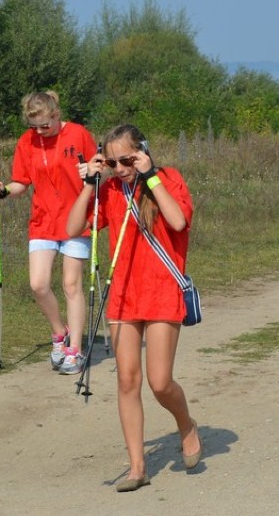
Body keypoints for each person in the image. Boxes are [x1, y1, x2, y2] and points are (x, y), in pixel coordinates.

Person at [66, 124, 202, 493]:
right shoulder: (108, 189)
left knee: (160, 382)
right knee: (127, 381)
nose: (120, 168)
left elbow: (178, 221)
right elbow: (73, 226)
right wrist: (90, 184)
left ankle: (186, 425)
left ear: (143, 152)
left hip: (161, 292)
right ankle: (137, 467)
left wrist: (150, 176)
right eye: (112, 162)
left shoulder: (167, 179)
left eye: (127, 159)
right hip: (123, 296)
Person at [0, 91, 96, 375]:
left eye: (45, 125)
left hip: (75, 221)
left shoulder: (79, 134)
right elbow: (21, 182)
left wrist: (92, 170)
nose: (39, 131)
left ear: (56, 115)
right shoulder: (27, 142)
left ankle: (75, 349)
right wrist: (4, 190)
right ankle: (59, 333)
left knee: (71, 285)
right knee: (38, 284)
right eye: (33, 126)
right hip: (43, 221)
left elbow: (100, 167)